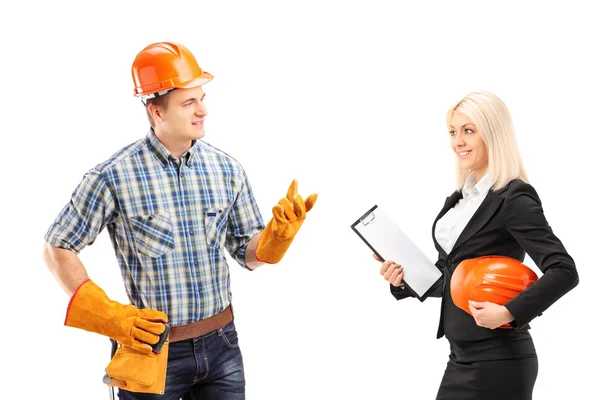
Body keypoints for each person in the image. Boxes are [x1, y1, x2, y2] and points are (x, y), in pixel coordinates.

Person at [43, 41, 317, 400]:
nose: (203, 110)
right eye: (189, 102)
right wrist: (110, 317)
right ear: (156, 111)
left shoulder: (226, 169)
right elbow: (58, 246)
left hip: (223, 346)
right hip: (152, 352)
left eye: (202, 99)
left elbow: (246, 253)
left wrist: (274, 239)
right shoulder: (113, 176)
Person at [376, 90, 578, 399]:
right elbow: (452, 277)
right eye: (453, 132)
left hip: (499, 359)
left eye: (468, 131)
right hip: (461, 356)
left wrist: (509, 312)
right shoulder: (460, 200)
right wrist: (403, 280)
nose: (457, 141)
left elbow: (564, 270)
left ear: (493, 135)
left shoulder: (514, 197)